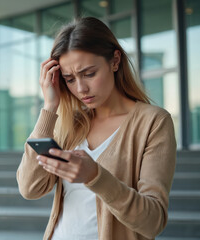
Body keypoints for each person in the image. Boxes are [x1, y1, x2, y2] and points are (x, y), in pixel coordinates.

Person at [17, 17, 176, 240]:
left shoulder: (153, 123)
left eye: (89, 74)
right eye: (69, 79)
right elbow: (29, 188)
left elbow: (153, 222)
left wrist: (95, 176)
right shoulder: (69, 123)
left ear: (115, 61)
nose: (81, 88)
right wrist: (50, 107)